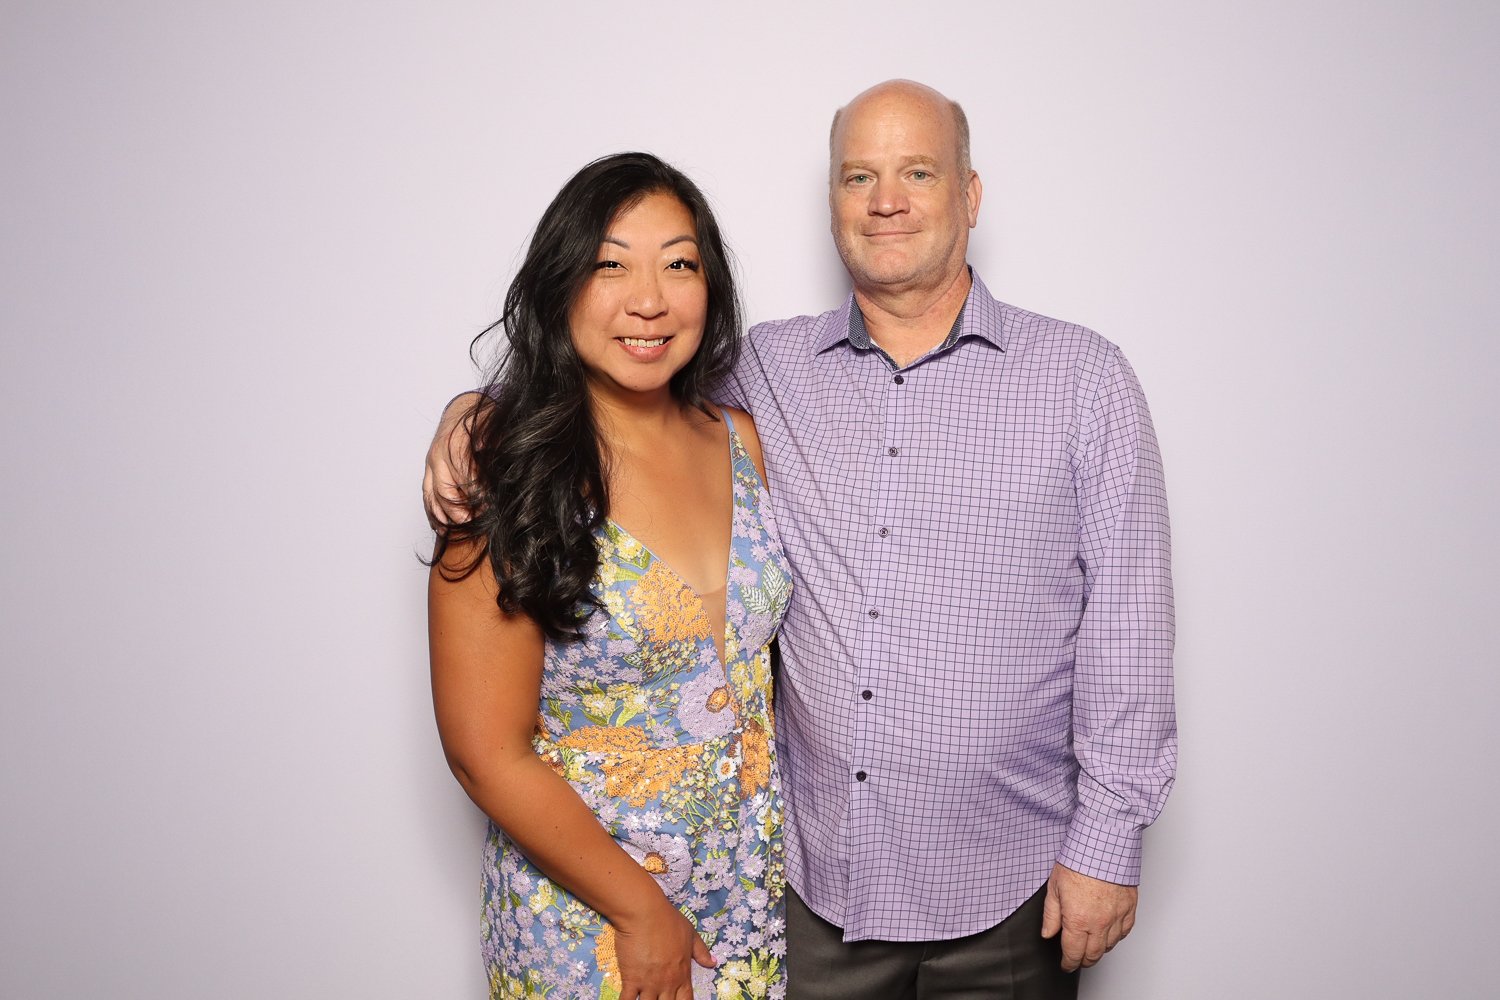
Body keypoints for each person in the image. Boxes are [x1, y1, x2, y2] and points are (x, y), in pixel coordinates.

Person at [428, 81, 1175, 999]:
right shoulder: (769, 375)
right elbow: (613, 373)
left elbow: (1130, 631)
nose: (885, 200)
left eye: (917, 172)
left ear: (970, 196)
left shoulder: (1083, 381)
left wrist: (1109, 843)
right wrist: (478, 412)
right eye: (858, 174)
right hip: (809, 897)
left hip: (1012, 884)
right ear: (832, 203)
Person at [428, 152, 790, 1000]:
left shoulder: (741, 438)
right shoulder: (502, 470)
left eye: (679, 264)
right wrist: (639, 913)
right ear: (562, 286)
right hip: (587, 917)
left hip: (747, 900)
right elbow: (484, 753)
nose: (649, 300)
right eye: (611, 265)